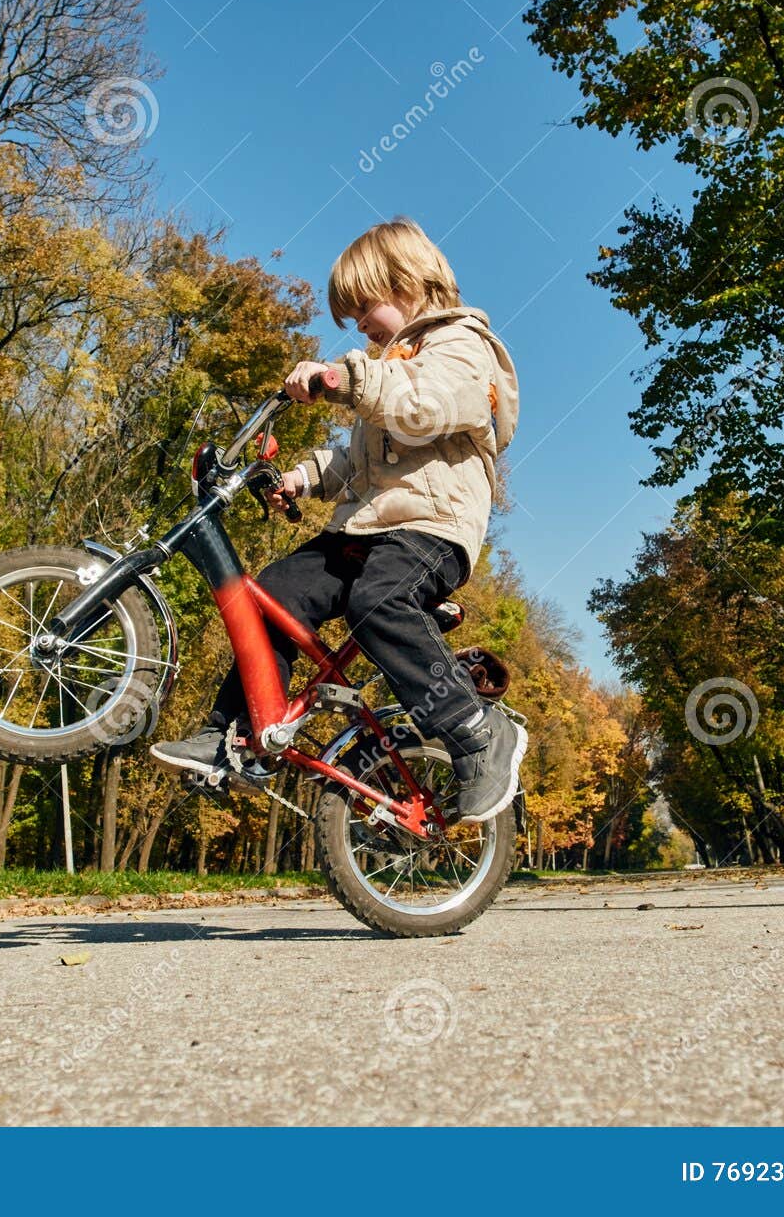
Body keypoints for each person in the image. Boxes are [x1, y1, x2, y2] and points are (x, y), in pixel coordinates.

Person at [149, 217, 525, 823]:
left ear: (408, 280)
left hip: (431, 527)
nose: (359, 327)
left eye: (363, 308)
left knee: (377, 601)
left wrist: (344, 377)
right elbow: (356, 459)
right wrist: (301, 477)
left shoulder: (462, 345)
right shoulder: (389, 365)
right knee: (270, 595)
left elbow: (423, 408)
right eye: (349, 320)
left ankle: (475, 732)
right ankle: (234, 736)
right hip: (365, 528)